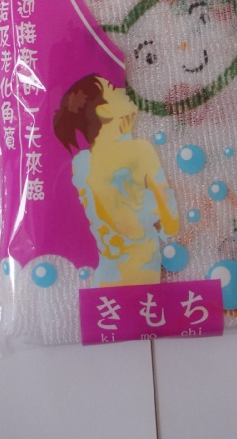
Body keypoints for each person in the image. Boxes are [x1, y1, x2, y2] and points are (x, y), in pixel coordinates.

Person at [54, 74, 178, 286]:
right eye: (113, 88)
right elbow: (171, 225)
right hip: (141, 275)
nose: (123, 90)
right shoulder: (140, 151)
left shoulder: (80, 163)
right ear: (104, 110)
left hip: (107, 280)